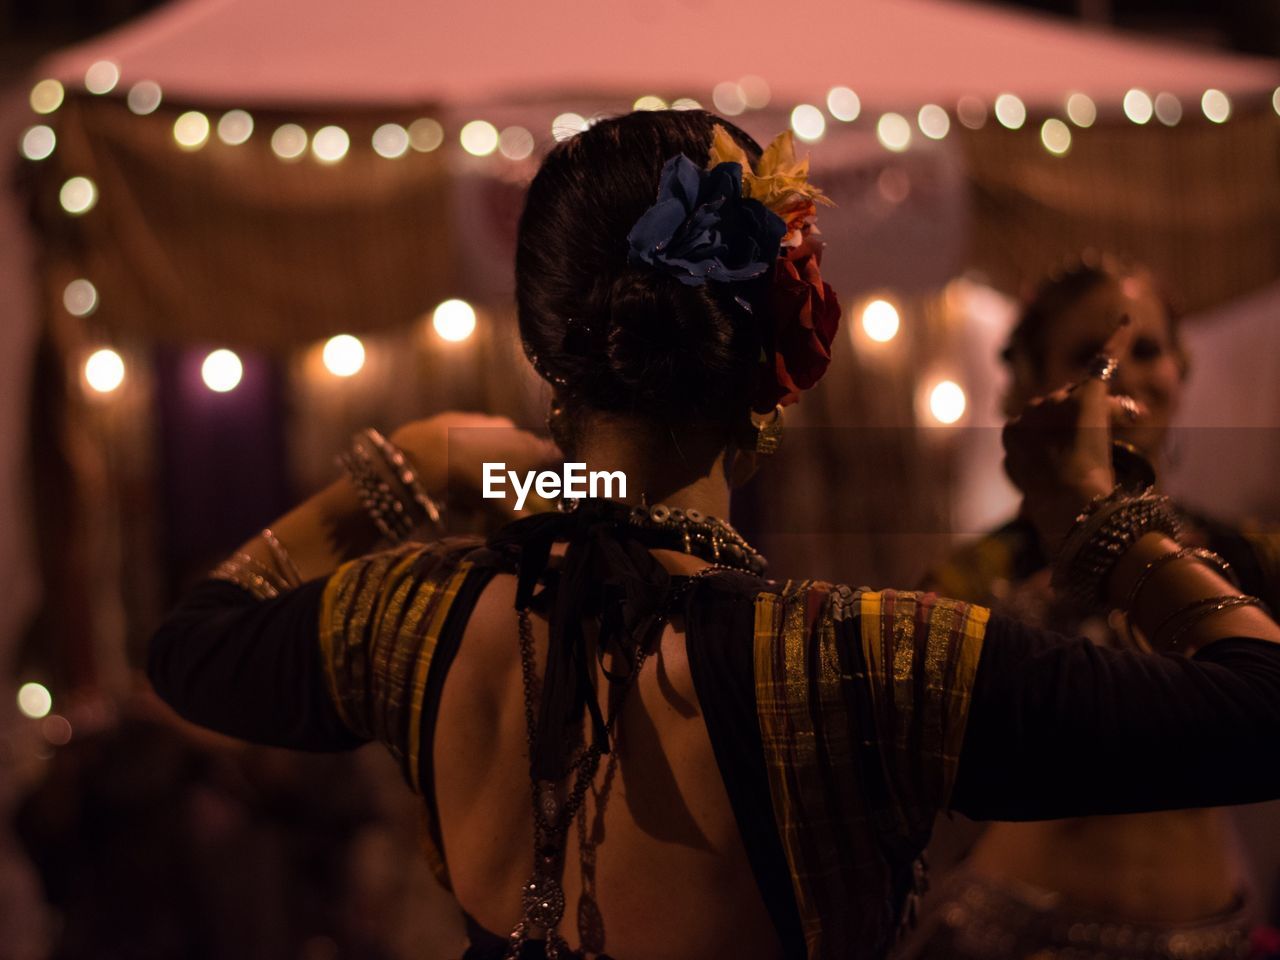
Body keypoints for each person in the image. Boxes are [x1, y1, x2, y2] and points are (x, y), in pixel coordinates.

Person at [148, 111, 1280, 960]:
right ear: (775, 377)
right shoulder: (856, 665)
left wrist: (410, 467)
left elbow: (195, 644)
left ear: (549, 354)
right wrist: (1099, 515)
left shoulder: (412, 618)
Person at [901, 258, 1280, 960]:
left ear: (1182, 369)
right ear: (1031, 386)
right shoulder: (975, 577)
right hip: (1017, 936)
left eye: (1146, 349)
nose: (1122, 376)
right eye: (1087, 357)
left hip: (1207, 935)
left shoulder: (1246, 560)